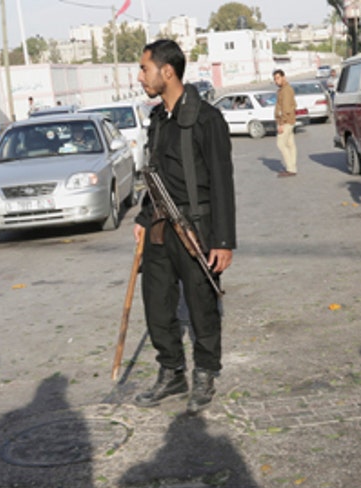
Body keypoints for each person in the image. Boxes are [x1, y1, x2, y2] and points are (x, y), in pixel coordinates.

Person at [132, 39, 236, 414]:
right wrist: (144, 220)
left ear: (167, 71)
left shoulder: (207, 119)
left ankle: (205, 373)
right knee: (157, 305)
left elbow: (223, 183)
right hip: (159, 228)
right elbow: (154, 175)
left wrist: (223, 241)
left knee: (201, 305)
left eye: (144, 68)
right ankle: (172, 371)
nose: (140, 76)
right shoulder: (158, 119)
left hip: (197, 228)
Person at [272, 69, 298, 177]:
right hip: (289, 120)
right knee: (290, 144)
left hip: (286, 121)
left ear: (283, 77)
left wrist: (281, 124)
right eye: (274, 79)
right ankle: (292, 167)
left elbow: (286, 108)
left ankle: (290, 168)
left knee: (281, 144)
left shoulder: (286, 90)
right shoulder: (283, 89)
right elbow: (294, 104)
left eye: (277, 78)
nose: (276, 81)